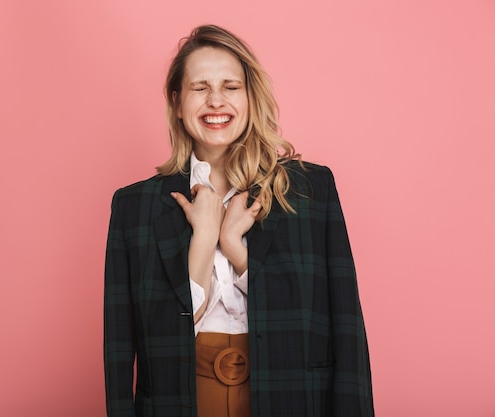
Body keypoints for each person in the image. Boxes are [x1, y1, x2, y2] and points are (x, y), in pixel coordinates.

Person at [104, 24, 374, 417]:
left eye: (230, 86)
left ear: (250, 97)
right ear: (178, 103)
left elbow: (342, 328)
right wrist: (203, 243)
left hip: (293, 398)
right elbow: (130, 346)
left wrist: (234, 249)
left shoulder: (310, 190)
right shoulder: (134, 207)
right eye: (200, 88)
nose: (216, 101)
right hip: (180, 402)